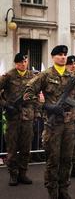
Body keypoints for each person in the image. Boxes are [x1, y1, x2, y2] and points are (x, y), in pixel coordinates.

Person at [24, 45, 75, 199]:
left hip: (70, 126)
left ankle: (63, 190)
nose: (63, 57)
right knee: (53, 160)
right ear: (53, 57)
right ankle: (53, 192)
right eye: (59, 54)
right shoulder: (45, 75)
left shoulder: (73, 76)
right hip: (53, 126)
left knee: (66, 160)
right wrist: (46, 106)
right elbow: (28, 93)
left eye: (65, 54)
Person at [0, 53, 35, 186]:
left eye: (25, 61)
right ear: (16, 63)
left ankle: (23, 174)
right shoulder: (8, 76)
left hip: (27, 117)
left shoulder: (32, 76)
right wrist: (5, 105)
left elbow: (36, 95)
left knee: (26, 148)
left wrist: (36, 112)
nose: (23, 64)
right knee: (12, 148)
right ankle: (13, 175)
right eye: (20, 62)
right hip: (13, 117)